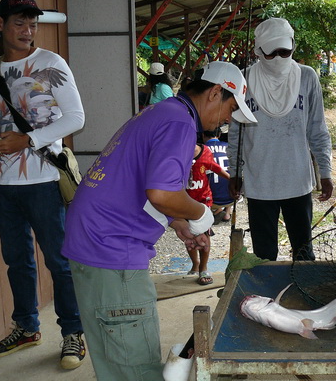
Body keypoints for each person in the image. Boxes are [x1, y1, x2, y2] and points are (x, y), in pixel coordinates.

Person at [62, 61, 256, 380]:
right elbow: (162, 193)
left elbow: (138, 183)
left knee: (114, 362)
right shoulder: (180, 122)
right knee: (136, 368)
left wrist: (177, 223)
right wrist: (199, 213)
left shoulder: (162, 111)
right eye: (231, 108)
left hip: (90, 242)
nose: (227, 119)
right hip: (114, 252)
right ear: (215, 92)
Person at [0, 0, 86, 369]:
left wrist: (27, 139)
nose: (28, 32)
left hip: (44, 179)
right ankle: (27, 327)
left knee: (60, 261)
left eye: (33, 24)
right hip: (2, 182)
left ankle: (73, 332)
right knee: (17, 260)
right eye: (19, 24)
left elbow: (76, 118)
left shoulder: (49, 63)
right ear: (0, 25)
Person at [228, 17, 333, 261]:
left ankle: (304, 294)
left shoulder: (307, 77)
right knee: (264, 254)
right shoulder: (242, 81)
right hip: (259, 181)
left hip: (297, 179)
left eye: (284, 51)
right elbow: (236, 133)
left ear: (293, 47)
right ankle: (267, 298)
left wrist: (325, 172)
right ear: (258, 50)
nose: (278, 58)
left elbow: (317, 127)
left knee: (304, 250)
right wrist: (235, 172)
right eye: (271, 52)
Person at [186, 142, 230, 285]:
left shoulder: (205, 151)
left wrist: (232, 179)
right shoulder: (175, 153)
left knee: (203, 234)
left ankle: (204, 268)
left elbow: (214, 167)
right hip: (183, 201)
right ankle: (195, 263)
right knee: (188, 234)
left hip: (203, 201)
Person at [204, 128, 233, 223]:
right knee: (229, 175)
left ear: (202, 135)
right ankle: (227, 213)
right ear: (219, 134)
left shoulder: (200, 149)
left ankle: (214, 210)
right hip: (232, 197)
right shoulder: (229, 147)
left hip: (211, 200)